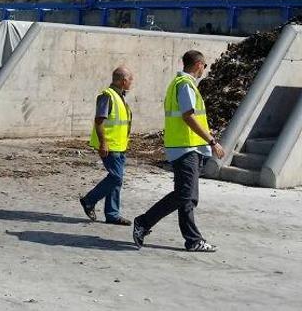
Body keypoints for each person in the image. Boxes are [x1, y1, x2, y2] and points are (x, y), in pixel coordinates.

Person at [133, 50, 226, 252]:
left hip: (186, 147)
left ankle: (193, 240)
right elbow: (189, 117)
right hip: (186, 148)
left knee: (189, 198)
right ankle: (143, 222)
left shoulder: (180, 84)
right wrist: (212, 141)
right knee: (184, 195)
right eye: (205, 66)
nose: (204, 70)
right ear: (199, 65)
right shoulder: (185, 85)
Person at [80, 66, 134, 226]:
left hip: (119, 145)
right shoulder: (107, 96)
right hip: (109, 146)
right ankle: (89, 200)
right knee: (116, 178)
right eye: (130, 80)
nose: (131, 83)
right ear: (124, 81)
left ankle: (112, 214)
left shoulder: (120, 97)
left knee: (117, 179)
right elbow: (99, 121)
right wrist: (103, 143)